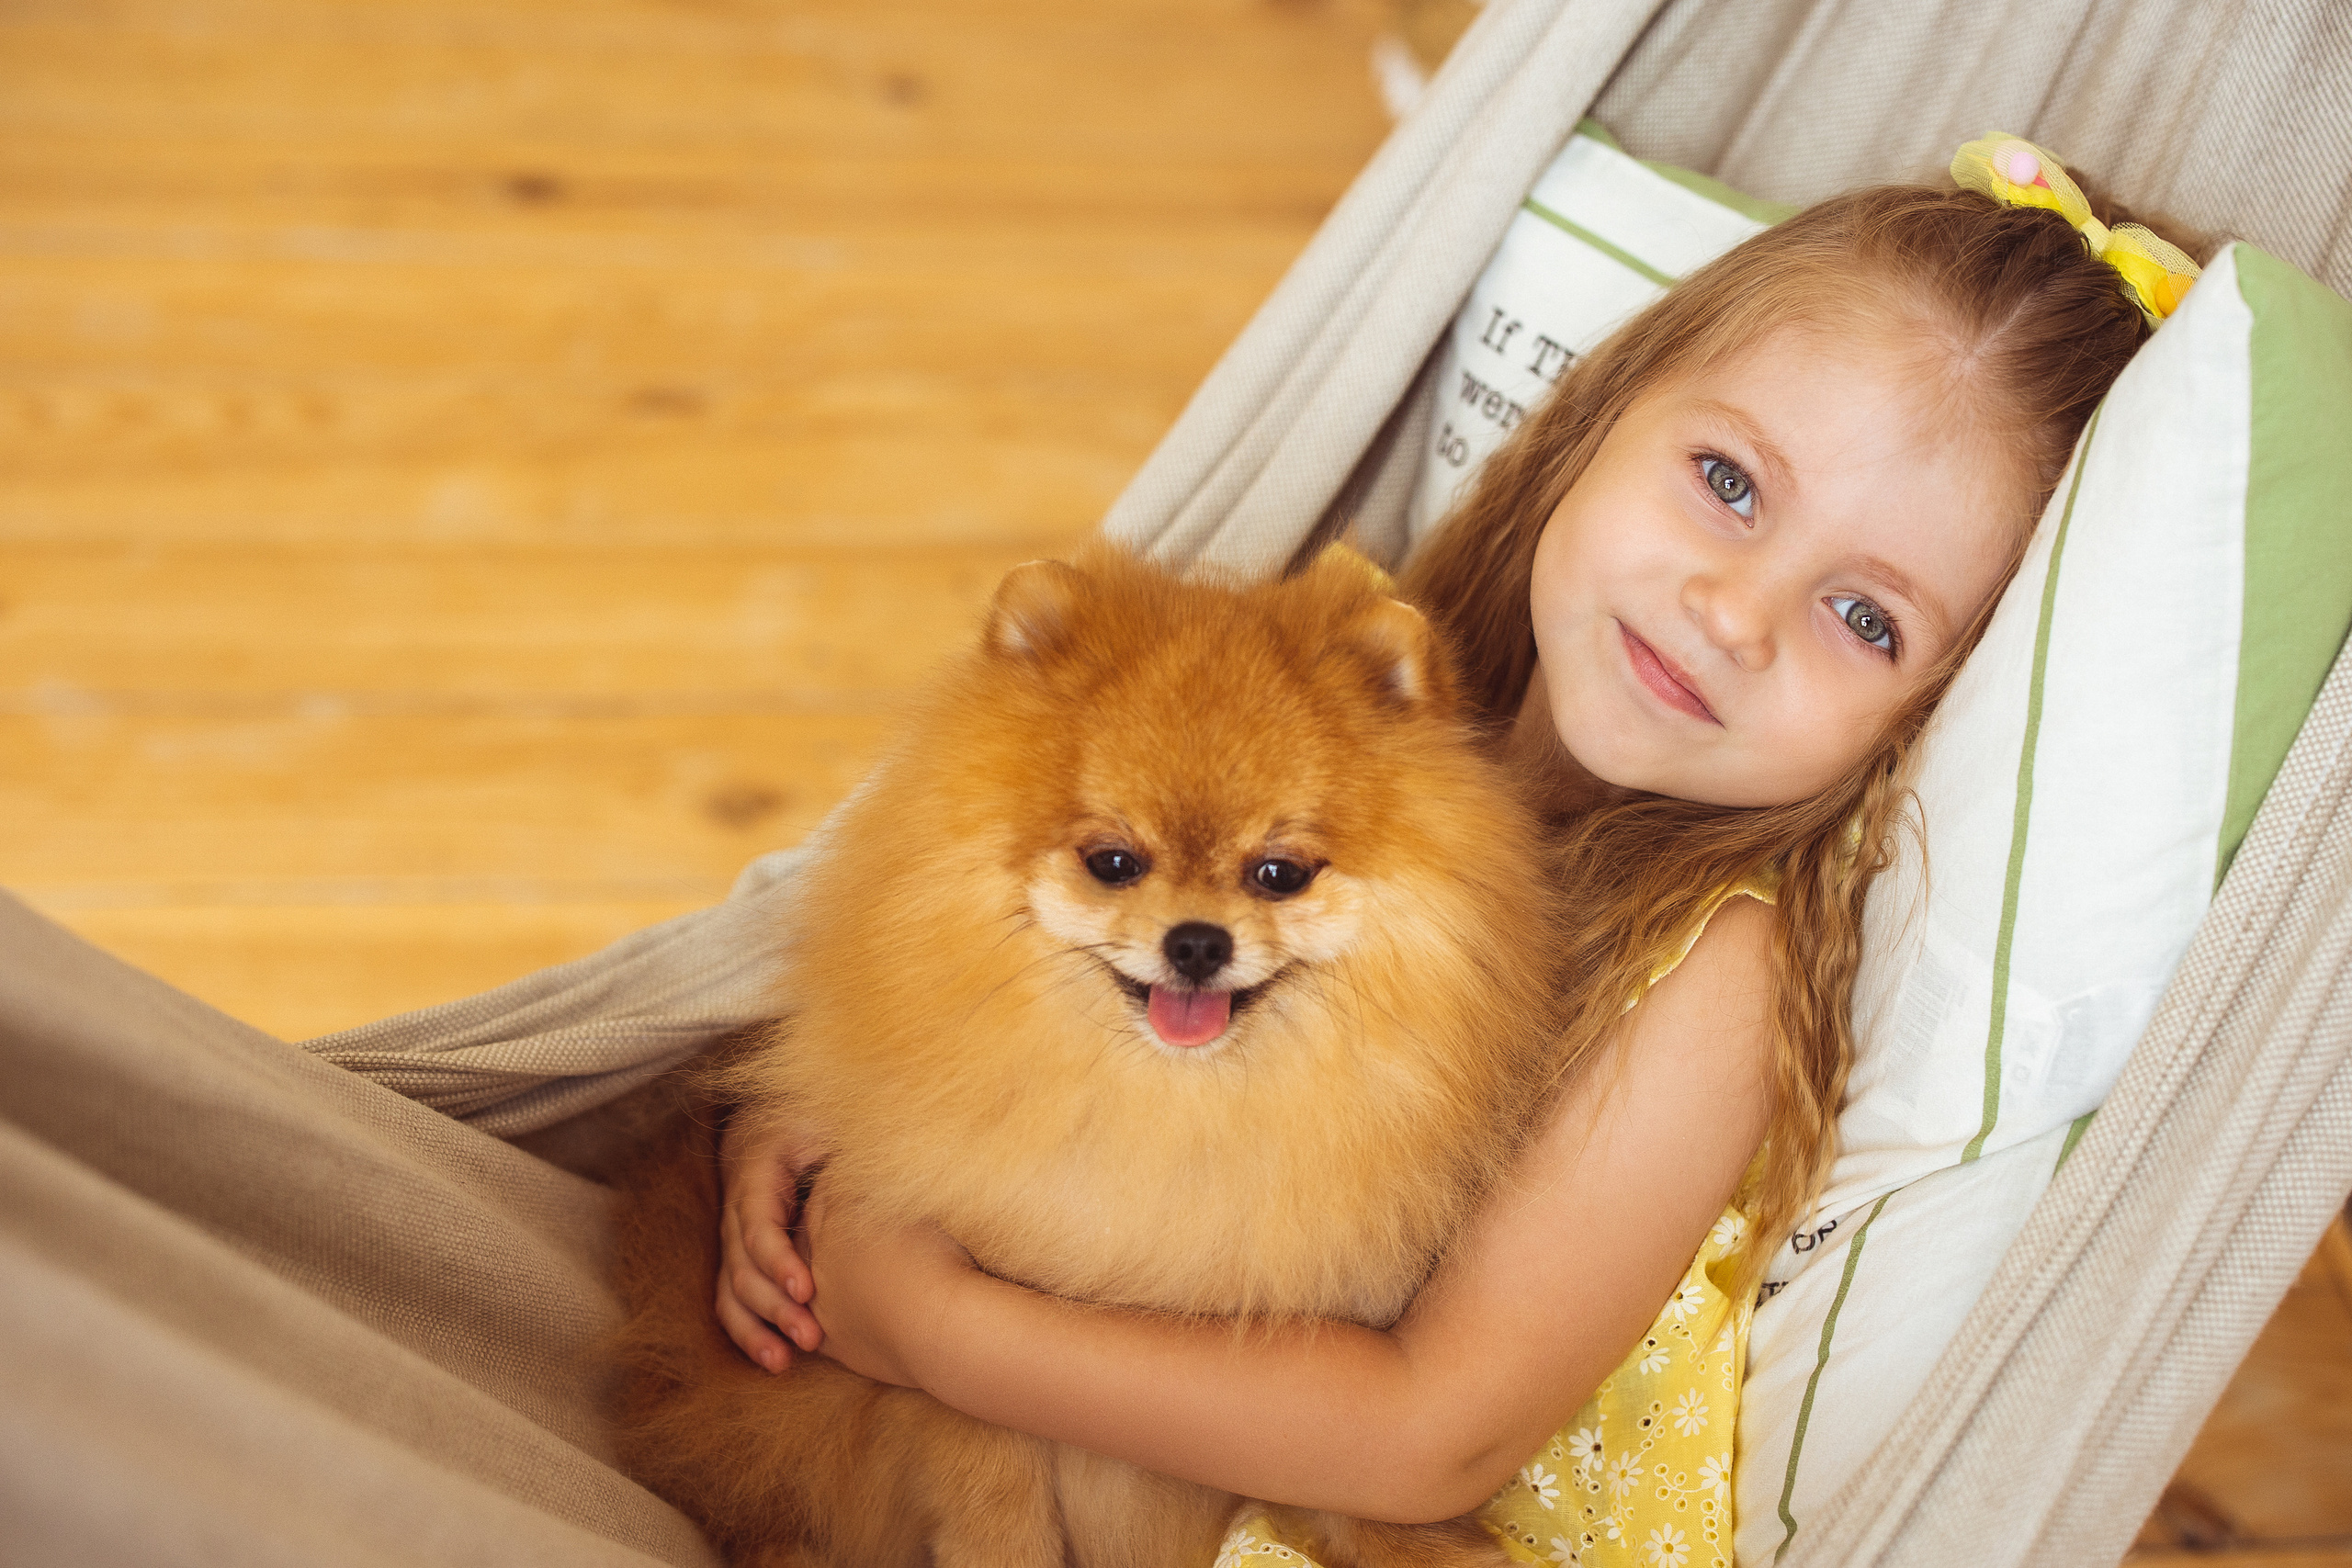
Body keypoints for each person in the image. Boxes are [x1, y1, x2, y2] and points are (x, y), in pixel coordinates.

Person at [707, 139, 2202, 1567]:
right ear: (1598, 410)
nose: (1732, 612)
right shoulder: (1371, 691)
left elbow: (1430, 1437)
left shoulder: (1722, 976)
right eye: (1730, 483)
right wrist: (851, 1120)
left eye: (1865, 617)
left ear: (1923, 720)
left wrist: (935, 1326)